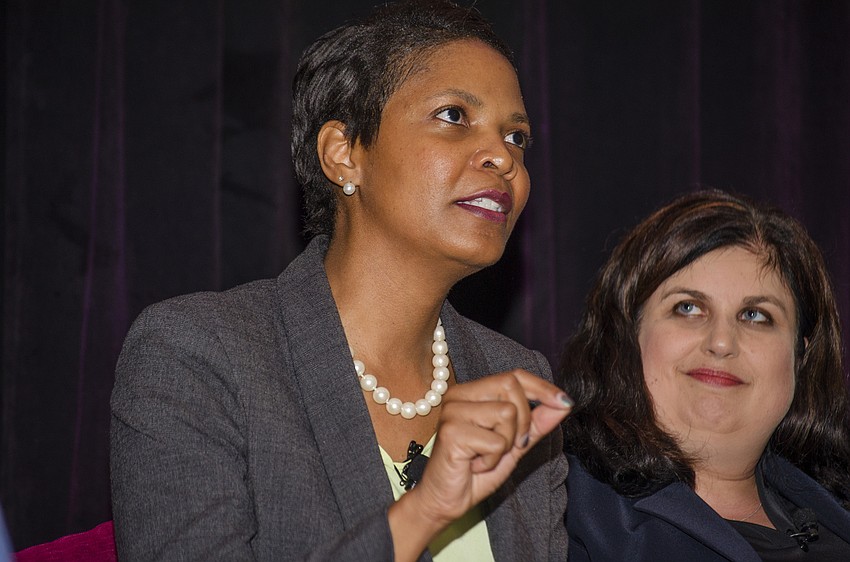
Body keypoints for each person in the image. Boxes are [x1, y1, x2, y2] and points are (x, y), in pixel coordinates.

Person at [110, 1, 573, 561]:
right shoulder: (199, 355)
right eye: (454, 115)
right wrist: (423, 512)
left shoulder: (517, 382)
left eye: (517, 138)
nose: (503, 157)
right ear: (344, 153)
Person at [560, 189, 850, 561]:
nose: (722, 342)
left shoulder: (835, 513)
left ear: (801, 355)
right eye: (688, 308)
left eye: (756, 316)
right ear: (628, 333)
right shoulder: (559, 504)